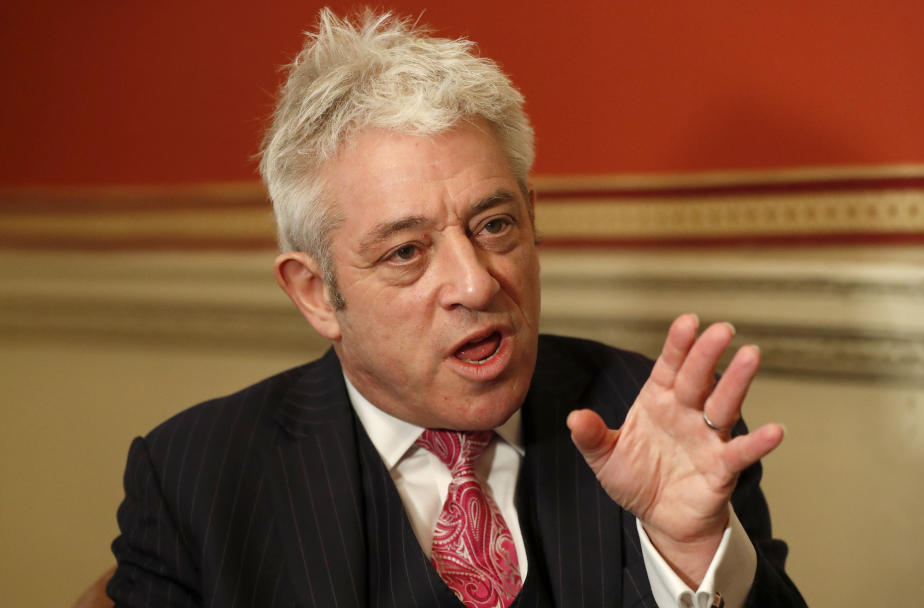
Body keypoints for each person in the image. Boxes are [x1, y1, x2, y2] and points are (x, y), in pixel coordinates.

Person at [107, 9, 805, 608]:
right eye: (406, 251)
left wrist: (689, 549)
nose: (475, 285)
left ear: (533, 222)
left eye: (495, 225)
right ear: (317, 293)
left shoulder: (664, 423)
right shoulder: (196, 477)